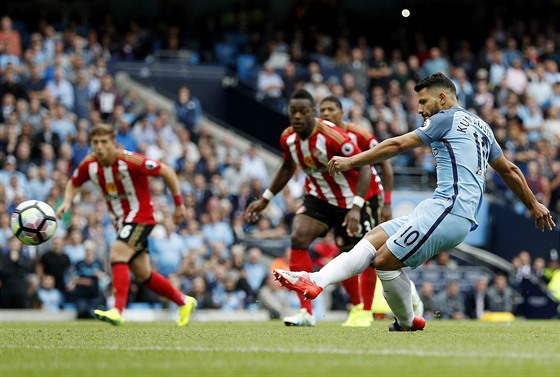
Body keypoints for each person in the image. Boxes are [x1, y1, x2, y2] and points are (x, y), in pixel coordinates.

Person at [273, 72, 556, 331]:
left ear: (442, 97)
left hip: (450, 210)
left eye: (423, 101)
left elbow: (396, 145)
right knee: (373, 240)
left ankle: (407, 321)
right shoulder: (482, 126)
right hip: (440, 208)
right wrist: (533, 204)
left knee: (384, 262)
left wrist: (351, 161)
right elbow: (509, 170)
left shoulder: (445, 118)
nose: (420, 109)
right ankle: (316, 280)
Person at [244, 88, 379, 327]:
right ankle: (306, 312)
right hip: (317, 198)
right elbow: (287, 167)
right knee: (298, 236)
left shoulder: (334, 137)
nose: (297, 116)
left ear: (312, 113)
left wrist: (357, 207)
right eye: (292, 112)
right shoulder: (288, 138)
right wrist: (265, 198)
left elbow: (365, 167)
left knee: (354, 255)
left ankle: (361, 309)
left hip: (348, 202)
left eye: (303, 112)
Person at [56, 123, 197, 326]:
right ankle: (184, 301)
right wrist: (68, 201)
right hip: (120, 222)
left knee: (117, 254)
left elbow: (166, 171)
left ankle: (117, 310)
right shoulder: (90, 164)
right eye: (95, 142)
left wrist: (178, 204)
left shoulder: (130, 160)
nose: (100, 146)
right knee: (143, 274)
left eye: (104, 142)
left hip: (142, 216)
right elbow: (74, 182)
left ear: (114, 143)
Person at [318, 95, 394, 327]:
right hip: (342, 201)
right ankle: (358, 307)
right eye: (322, 110)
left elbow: (385, 165)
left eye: (331, 109)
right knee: (344, 250)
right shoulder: (319, 138)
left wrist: (387, 203)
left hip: (369, 196)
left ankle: (367, 310)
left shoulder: (360, 135)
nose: (326, 114)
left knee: (369, 251)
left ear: (342, 113)